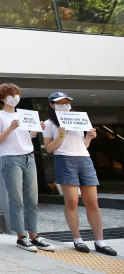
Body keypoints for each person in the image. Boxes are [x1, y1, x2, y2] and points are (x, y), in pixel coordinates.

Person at [43, 92, 117, 256]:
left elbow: (82, 145)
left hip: (84, 159)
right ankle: (78, 239)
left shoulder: (78, 119)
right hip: (64, 160)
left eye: (66, 101)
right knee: (72, 202)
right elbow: (48, 148)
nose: (64, 104)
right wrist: (61, 135)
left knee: (93, 202)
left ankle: (100, 241)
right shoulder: (49, 123)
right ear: (52, 105)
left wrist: (90, 137)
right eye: (60, 102)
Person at [0, 83, 54, 252]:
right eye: (11, 94)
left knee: (32, 200)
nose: (15, 97)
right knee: (16, 199)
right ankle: (21, 236)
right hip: (11, 158)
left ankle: (34, 235)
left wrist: (35, 132)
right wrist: (11, 128)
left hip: (29, 156)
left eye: (16, 94)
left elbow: (25, 137)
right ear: (3, 97)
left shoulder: (22, 114)